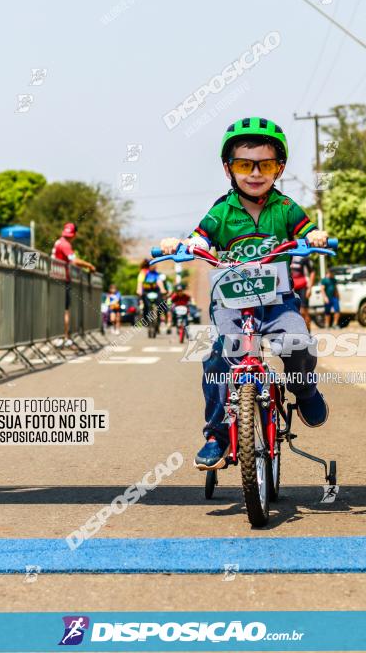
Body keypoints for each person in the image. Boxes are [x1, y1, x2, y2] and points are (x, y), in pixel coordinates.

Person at [159, 117, 330, 471]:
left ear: (278, 168)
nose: (255, 173)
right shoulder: (222, 211)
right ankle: (217, 436)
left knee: (298, 343)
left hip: (277, 301)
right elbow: (201, 238)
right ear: (229, 169)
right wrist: (185, 244)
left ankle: (306, 391)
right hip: (231, 303)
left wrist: (315, 237)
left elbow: (307, 230)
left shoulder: (285, 209)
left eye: (265, 164)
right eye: (243, 164)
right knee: (220, 358)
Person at [52, 222, 95, 344]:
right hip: (61, 279)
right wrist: (89, 265)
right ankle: (64, 337)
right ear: (74, 234)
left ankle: (61, 336)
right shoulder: (65, 245)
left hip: (56, 278)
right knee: (65, 309)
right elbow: (74, 261)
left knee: (58, 309)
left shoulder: (59, 242)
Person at [290, 254, 315, 332]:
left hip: (303, 286)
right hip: (292, 288)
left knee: (304, 311)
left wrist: (310, 288)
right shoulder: (288, 255)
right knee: (293, 312)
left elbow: (312, 272)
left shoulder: (304, 257)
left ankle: (308, 332)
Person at [137, 262, 166, 329]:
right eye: (152, 265)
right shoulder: (143, 273)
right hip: (146, 291)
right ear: (148, 266)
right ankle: (145, 320)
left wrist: (162, 289)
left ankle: (158, 320)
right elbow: (140, 282)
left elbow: (159, 282)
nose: (154, 267)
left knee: (160, 304)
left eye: (155, 265)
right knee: (146, 305)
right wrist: (139, 290)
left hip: (155, 291)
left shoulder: (156, 274)